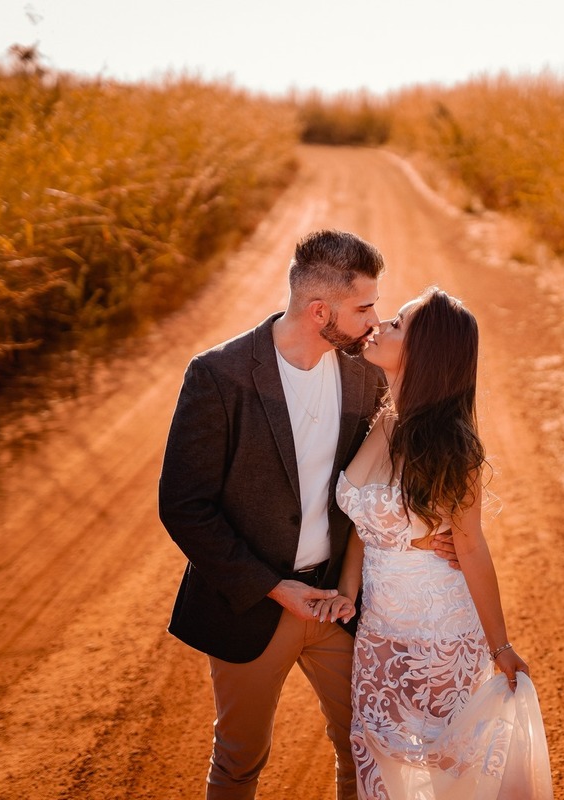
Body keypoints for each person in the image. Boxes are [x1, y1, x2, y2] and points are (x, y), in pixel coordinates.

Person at [158, 229, 452, 800]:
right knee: (239, 760)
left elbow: (391, 470)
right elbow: (184, 506)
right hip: (250, 607)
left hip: (340, 604)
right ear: (320, 311)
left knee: (365, 748)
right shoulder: (218, 375)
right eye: (363, 308)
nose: (375, 321)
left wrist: (434, 535)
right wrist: (273, 587)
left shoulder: (365, 374)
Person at [315, 287, 553, 799]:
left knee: (446, 767)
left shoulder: (453, 446)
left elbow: (471, 548)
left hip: (439, 633)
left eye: (398, 324)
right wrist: (348, 592)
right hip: (377, 633)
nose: (381, 325)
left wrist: (500, 646)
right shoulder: (383, 418)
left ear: (423, 352)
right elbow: (365, 525)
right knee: (376, 758)